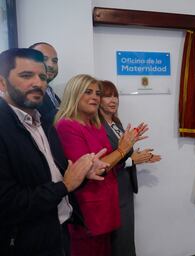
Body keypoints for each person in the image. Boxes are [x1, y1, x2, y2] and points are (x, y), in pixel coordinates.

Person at [0, 48, 107, 256]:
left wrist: (82, 173)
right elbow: (7, 202)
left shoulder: (44, 123)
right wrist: (65, 186)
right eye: (26, 75)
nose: (38, 83)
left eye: (42, 76)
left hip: (58, 232)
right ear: (2, 83)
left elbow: (58, 173)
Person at [54, 74, 146, 256]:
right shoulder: (67, 126)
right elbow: (89, 170)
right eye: (88, 92)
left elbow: (107, 162)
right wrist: (122, 151)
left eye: (97, 93)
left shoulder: (94, 124)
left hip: (107, 201)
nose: (95, 97)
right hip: (88, 208)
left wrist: (124, 151)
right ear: (75, 94)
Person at [98, 80, 160, 256]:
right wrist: (132, 160)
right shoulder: (97, 126)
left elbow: (123, 154)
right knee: (117, 240)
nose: (113, 100)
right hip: (111, 189)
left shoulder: (116, 124)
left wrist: (140, 156)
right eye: (107, 96)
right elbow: (105, 162)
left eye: (115, 96)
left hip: (124, 187)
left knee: (125, 237)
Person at [29, 42, 61, 125]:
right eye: (44, 59)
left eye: (55, 61)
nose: (51, 65)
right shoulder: (26, 92)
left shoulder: (50, 92)